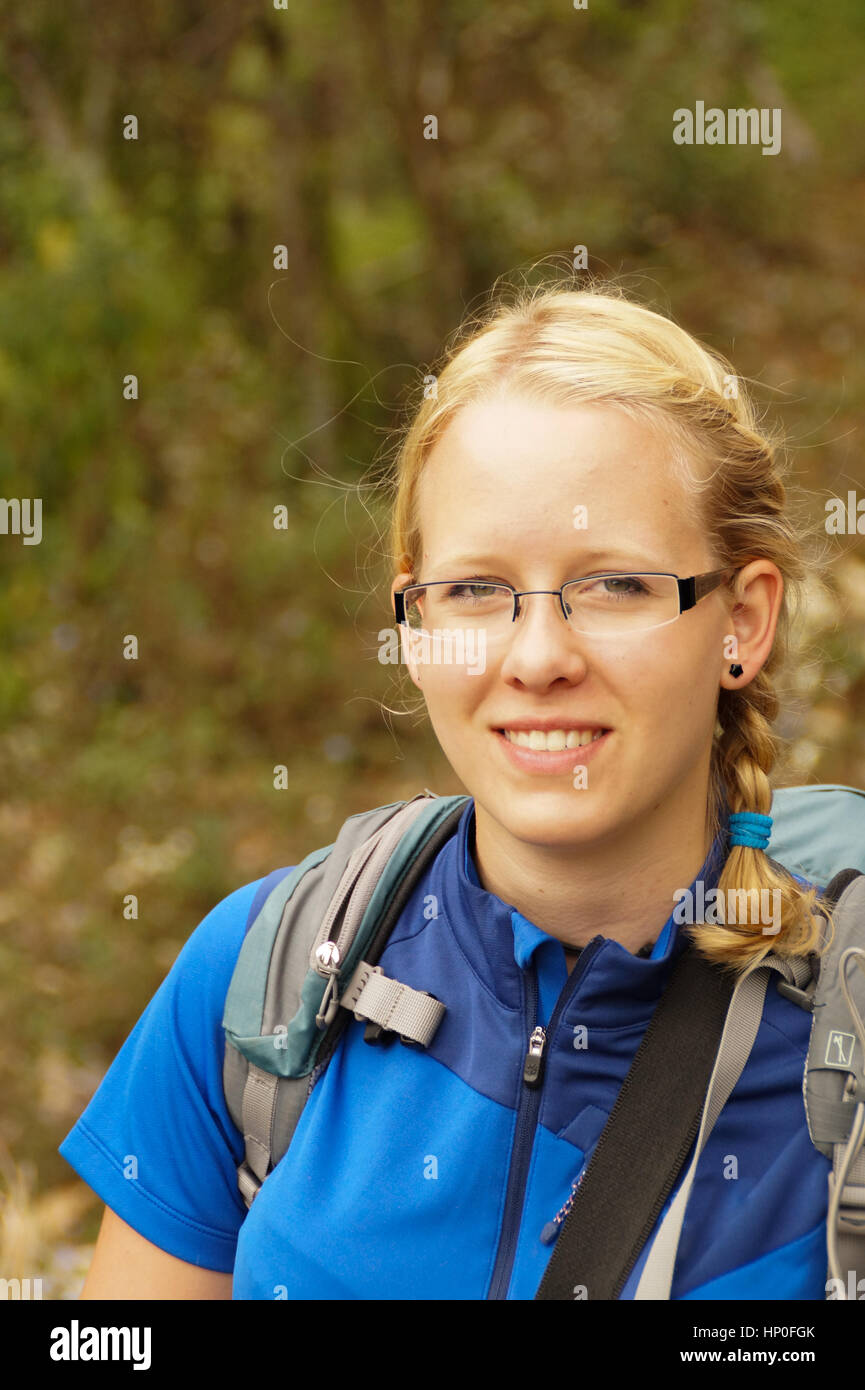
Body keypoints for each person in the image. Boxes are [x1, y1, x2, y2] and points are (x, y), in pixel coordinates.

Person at [61, 278, 836, 1300]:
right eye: (475, 589)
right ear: (414, 623)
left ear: (740, 621)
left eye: (613, 584)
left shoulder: (842, 1038)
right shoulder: (263, 977)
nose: (539, 655)